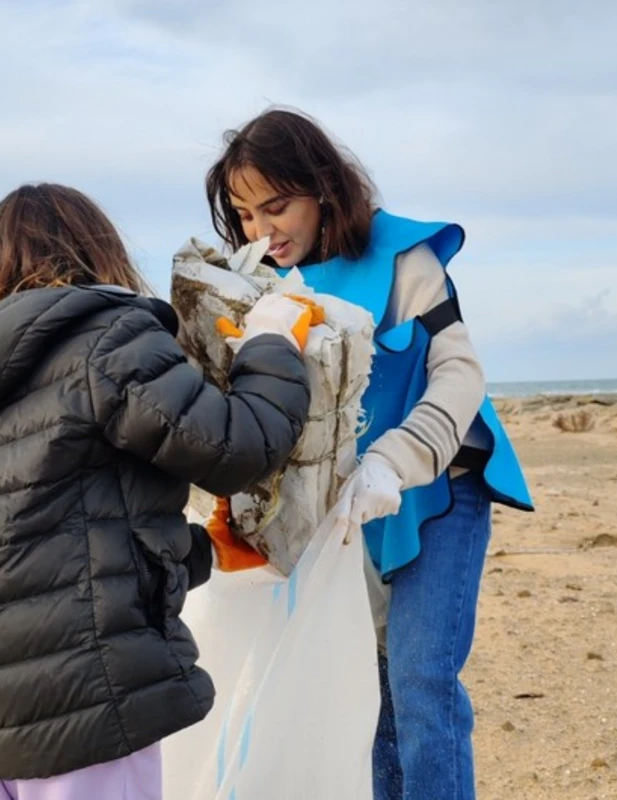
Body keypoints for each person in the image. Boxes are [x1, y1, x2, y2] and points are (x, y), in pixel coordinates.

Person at [0, 182, 321, 800]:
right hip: (81, 688)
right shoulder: (107, 338)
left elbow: (69, 537)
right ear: (97, 249)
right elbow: (235, 447)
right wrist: (269, 341)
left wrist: (204, 554)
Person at [204, 108, 535, 800]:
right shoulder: (263, 287)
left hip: (438, 491)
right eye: (242, 214)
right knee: (369, 689)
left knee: (421, 683)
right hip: (348, 517)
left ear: (323, 187)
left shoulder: (402, 259)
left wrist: (394, 458)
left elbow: (461, 374)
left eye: (277, 206)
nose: (261, 231)